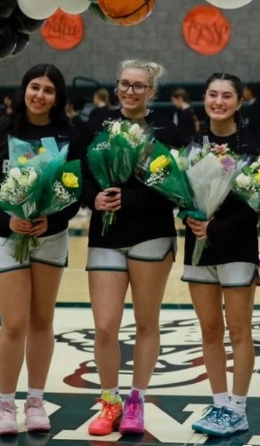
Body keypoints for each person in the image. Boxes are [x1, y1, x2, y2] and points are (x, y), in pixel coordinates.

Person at [0, 64, 81, 436]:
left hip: (50, 237)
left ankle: (35, 401)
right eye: (35, 87)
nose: (40, 95)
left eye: (49, 90)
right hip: (4, 236)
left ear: (57, 98)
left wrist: (53, 218)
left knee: (42, 320)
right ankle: (4, 405)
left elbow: (76, 192)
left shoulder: (68, 135)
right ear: (24, 89)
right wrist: (7, 217)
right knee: (14, 323)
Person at [81, 59, 185, 436]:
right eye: (125, 83)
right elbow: (79, 175)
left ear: (151, 91)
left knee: (145, 322)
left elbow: (175, 190)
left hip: (151, 234)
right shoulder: (97, 124)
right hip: (105, 235)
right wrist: (93, 199)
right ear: (117, 86)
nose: (130, 91)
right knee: (105, 326)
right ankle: (110, 402)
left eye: (139, 86)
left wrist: (131, 198)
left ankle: (137, 401)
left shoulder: (168, 131)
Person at [182, 73, 260, 437]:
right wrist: (186, 214)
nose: (219, 101)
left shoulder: (252, 144)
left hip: (237, 248)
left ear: (238, 102)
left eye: (226, 96)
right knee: (210, 330)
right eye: (212, 94)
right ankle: (219, 404)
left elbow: (255, 204)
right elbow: (178, 191)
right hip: (198, 248)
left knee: (239, 330)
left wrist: (216, 227)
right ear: (204, 98)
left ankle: (238, 409)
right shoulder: (192, 144)